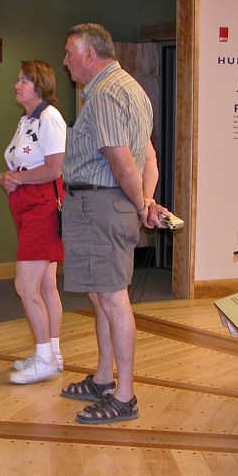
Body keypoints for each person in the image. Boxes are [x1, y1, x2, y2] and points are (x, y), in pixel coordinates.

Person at [58, 23, 168, 424]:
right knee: (101, 295)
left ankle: (124, 396)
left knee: (113, 298)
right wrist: (146, 201)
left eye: (70, 52)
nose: (66, 61)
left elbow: (124, 162)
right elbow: (149, 157)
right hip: (108, 204)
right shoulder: (133, 89)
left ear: (90, 54)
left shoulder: (104, 94)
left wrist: (140, 205)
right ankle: (105, 379)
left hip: (100, 206)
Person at [0, 60, 67, 384]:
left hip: (42, 209)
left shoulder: (49, 118)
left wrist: (19, 180)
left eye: (24, 80)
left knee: (25, 286)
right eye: (19, 78)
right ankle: (51, 353)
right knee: (45, 285)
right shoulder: (27, 119)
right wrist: (8, 177)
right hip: (26, 207)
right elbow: (21, 165)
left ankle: (44, 360)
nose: (17, 84)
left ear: (39, 86)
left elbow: (55, 169)